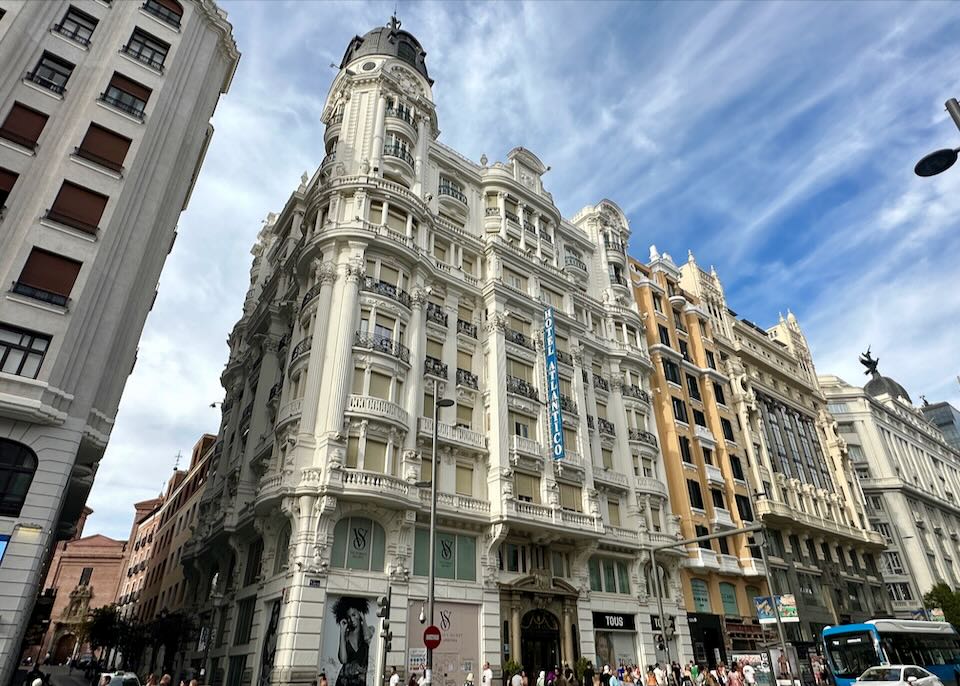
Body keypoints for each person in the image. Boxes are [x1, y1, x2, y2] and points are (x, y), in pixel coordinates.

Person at [332, 597, 373, 686]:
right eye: (349, 617)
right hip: (344, 681)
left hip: (360, 682)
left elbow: (367, 638)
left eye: (354, 615)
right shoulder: (346, 636)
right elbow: (343, 660)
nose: (352, 619)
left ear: (360, 613)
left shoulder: (369, 630)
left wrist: (364, 619)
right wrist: (342, 633)